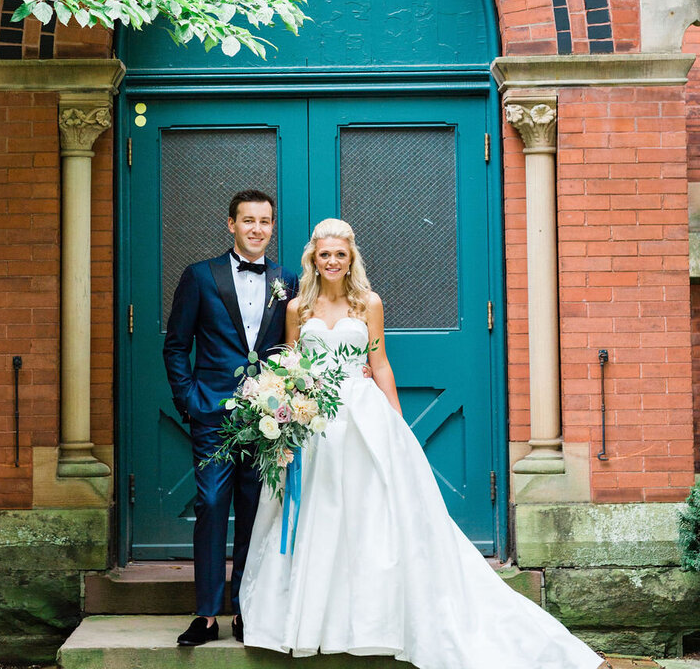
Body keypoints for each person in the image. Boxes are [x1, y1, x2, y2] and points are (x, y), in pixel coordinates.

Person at [240, 218, 606, 669]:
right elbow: (291, 362)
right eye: (324, 255)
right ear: (313, 259)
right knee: (321, 511)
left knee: (367, 513)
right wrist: (284, 412)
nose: (332, 261)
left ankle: (372, 621)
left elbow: (381, 364)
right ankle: (313, 619)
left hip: (361, 412)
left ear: (351, 258)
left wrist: (396, 423)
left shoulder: (367, 303)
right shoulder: (299, 307)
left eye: (340, 254)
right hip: (314, 422)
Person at [163, 189, 298, 648]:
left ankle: (245, 608)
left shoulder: (288, 280)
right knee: (211, 505)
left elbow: (295, 346)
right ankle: (205, 615)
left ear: (272, 227)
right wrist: (189, 400)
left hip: (267, 416)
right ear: (231, 224)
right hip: (213, 414)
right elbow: (177, 345)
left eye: (265, 222)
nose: (257, 229)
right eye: (248, 221)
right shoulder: (201, 276)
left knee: (255, 511)